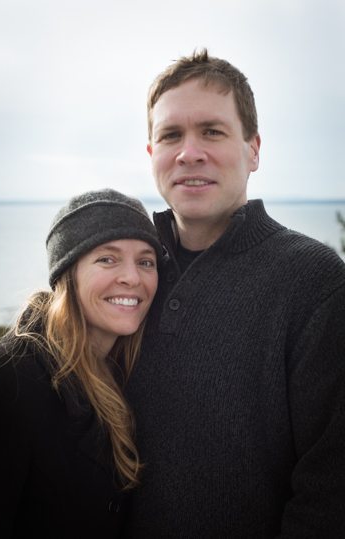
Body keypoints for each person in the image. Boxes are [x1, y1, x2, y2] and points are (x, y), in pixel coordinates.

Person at [124, 50, 345, 538]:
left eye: (213, 131)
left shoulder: (314, 280)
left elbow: (331, 490)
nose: (189, 152)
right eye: (171, 135)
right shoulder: (129, 274)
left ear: (253, 150)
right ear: (152, 154)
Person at [0, 188, 161, 538]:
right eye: (107, 259)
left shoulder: (127, 373)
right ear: (68, 274)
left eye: (146, 261)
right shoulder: (5, 383)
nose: (133, 277)